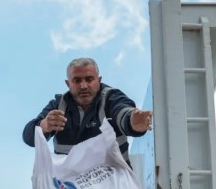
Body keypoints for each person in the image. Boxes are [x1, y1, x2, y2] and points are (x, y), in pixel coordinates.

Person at [22, 57, 153, 167]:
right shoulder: (58, 105)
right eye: (77, 80)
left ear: (99, 80)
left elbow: (122, 112)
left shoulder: (111, 98)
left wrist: (132, 121)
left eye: (89, 79)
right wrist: (44, 126)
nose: (83, 86)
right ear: (68, 84)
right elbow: (29, 138)